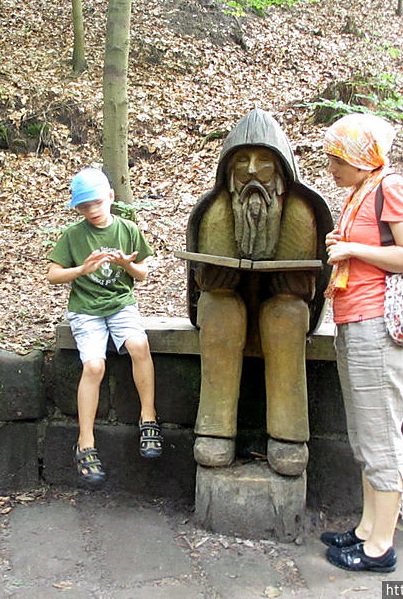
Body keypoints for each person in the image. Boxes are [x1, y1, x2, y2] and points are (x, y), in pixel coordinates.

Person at [183, 109, 333, 475]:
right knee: (220, 310)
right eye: (242, 161)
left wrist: (282, 282)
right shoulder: (217, 211)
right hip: (230, 307)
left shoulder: (298, 211)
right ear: (228, 170)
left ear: (281, 171)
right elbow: (209, 280)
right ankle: (215, 429)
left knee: (285, 315)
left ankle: (288, 434)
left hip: (279, 309)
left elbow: (302, 285)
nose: (251, 171)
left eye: (264, 162)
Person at [320, 113, 403, 573]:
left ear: (363, 157)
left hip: (378, 325)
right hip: (354, 320)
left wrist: (352, 249)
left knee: (380, 435)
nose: (331, 167)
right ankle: (366, 528)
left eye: (338, 158)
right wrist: (342, 242)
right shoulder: (360, 193)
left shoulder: (391, 187)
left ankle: (380, 546)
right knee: (365, 435)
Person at [46, 167, 161, 486]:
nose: (92, 211)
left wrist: (126, 264)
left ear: (110, 197)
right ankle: (85, 441)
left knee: (139, 345)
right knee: (94, 366)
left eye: (96, 203)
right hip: (86, 309)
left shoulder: (127, 229)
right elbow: (53, 275)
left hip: (121, 304)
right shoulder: (73, 235)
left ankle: (148, 417)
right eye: (84, 207)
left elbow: (144, 275)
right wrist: (82, 269)